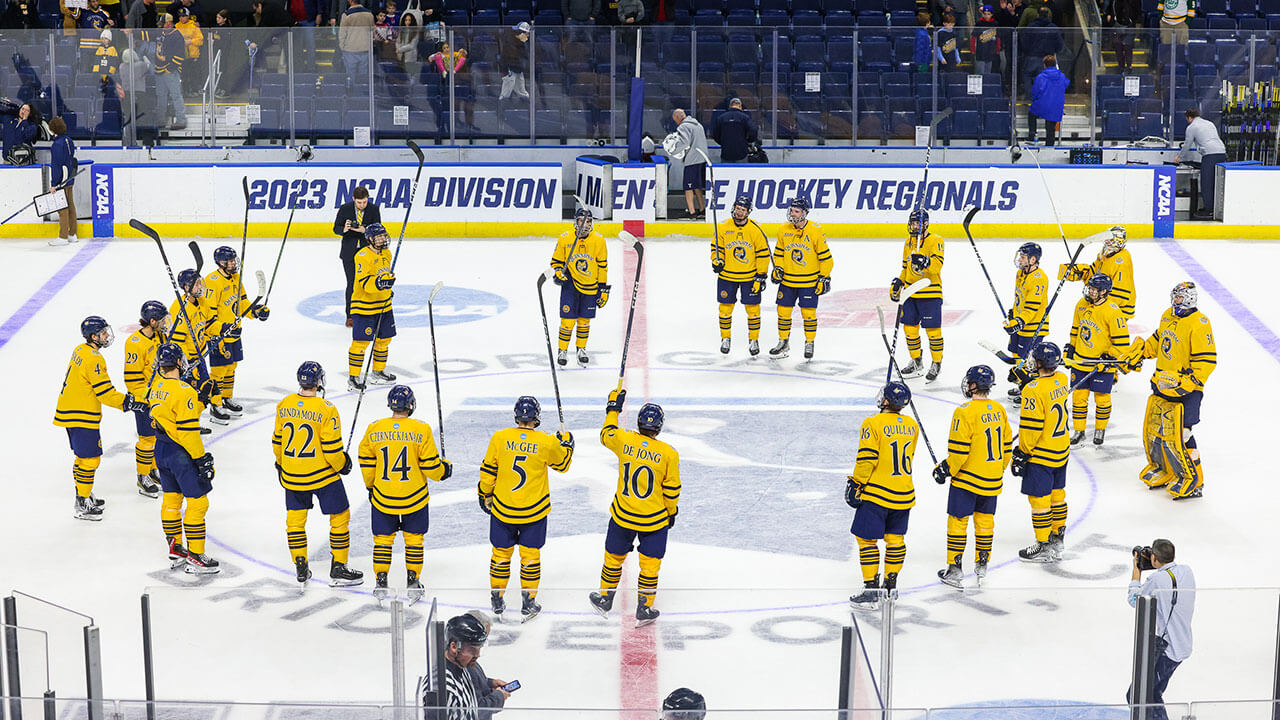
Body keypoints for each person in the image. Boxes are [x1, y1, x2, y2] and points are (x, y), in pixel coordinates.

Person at [478, 396, 575, 622]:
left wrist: (486, 493)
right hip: (534, 512)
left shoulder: (500, 437)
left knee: (501, 554)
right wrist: (567, 444)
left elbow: (488, 470)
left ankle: (497, 597)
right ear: (536, 418)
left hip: (504, 509)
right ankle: (528, 602)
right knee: (530, 556)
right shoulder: (546, 441)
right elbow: (563, 464)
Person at [590, 388, 681, 626]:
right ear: (659, 427)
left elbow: (606, 433)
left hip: (623, 515)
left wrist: (613, 408)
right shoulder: (668, 453)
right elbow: (672, 490)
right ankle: (644, 607)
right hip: (654, 519)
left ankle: (604, 598)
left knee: (613, 558)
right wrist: (670, 513)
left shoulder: (625, 440)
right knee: (650, 565)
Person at [273, 361, 364, 589]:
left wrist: (283, 465)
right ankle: (339, 567)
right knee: (340, 517)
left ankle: (300, 565)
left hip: (292, 475)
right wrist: (343, 464)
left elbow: (277, 443)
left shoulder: (285, 404)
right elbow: (332, 451)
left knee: (295, 521)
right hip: (322, 475)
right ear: (319, 382)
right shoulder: (327, 409)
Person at [359, 385, 452, 603]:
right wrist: (444, 470)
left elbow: (366, 461)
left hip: (383, 497)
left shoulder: (375, 428)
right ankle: (412, 581)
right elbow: (431, 468)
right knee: (414, 540)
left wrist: (371, 486)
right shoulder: (421, 429)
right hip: (414, 497)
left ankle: (381, 582)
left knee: (382, 540)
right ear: (410, 405)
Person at [1124, 282, 1215, 500]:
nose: (1175, 302)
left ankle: (1195, 480)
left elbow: (1207, 360)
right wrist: (1139, 353)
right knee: (1159, 429)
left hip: (1186, 391)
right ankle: (1167, 471)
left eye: (1180, 298)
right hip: (1162, 384)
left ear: (1190, 298)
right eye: (1175, 298)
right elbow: (1158, 341)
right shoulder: (1168, 315)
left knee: (1182, 434)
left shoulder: (1200, 323)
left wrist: (1190, 381)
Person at [53, 316, 146, 520]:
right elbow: (105, 393)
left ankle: (82, 496)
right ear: (93, 336)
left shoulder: (80, 350)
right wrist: (128, 402)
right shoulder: (94, 359)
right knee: (90, 459)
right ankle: (83, 504)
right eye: (103, 333)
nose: (107, 336)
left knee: (82, 457)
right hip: (81, 415)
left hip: (69, 410)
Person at [934, 365, 1010, 589]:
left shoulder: (964, 411)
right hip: (992, 479)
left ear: (974, 385)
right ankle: (982, 564)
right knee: (985, 522)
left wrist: (946, 468)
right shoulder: (999, 409)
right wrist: (997, 470)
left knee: (958, 522)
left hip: (966, 480)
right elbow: (1006, 445)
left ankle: (955, 569)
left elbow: (959, 452)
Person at [148, 342, 218, 573]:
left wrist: (200, 401)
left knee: (171, 499)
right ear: (179, 362)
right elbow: (187, 432)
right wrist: (201, 459)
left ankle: (176, 547)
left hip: (161, 450)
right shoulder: (184, 390)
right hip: (181, 453)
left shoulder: (156, 387)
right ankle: (196, 555)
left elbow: (176, 415)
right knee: (198, 503)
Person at [847, 382, 918, 610]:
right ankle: (890, 587)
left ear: (887, 401)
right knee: (895, 540)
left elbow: (867, 458)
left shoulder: (872, 423)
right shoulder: (911, 425)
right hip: (904, 492)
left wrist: (856, 483)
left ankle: (871, 591)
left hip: (877, 494)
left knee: (866, 540)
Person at [1011, 341, 1070, 563]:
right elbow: (1046, 390)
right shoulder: (1062, 379)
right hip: (1061, 449)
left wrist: (1022, 452)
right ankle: (1058, 537)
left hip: (1041, 453)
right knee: (1057, 496)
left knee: (1039, 501)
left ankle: (1043, 544)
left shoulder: (1032, 391)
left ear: (1038, 362)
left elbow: (1031, 428)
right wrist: (1029, 383)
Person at [1126, 539, 1195, 720]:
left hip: (1168, 649)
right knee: (1152, 694)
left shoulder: (1156, 579)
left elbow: (1135, 600)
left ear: (1154, 558)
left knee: (1139, 695)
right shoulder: (1187, 571)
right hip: (1183, 644)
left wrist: (1137, 570)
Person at [1064, 273, 1131, 447]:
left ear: (1104, 292)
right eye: (1090, 288)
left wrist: (1109, 357)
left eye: (1094, 289)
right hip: (1080, 362)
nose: (1090, 291)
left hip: (1102, 366)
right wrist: (1070, 348)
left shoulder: (1114, 312)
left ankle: (1100, 429)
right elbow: (1075, 329)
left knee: (1102, 400)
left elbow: (1123, 343)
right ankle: (1079, 431)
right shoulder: (1081, 304)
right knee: (1078, 398)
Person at [205, 246, 269, 419]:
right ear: (221, 262)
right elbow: (207, 314)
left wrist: (255, 311)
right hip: (218, 335)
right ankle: (215, 403)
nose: (234, 263)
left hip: (234, 332)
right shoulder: (212, 281)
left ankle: (226, 398)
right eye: (231, 260)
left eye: (234, 260)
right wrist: (222, 329)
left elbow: (241, 303)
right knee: (219, 370)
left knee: (231, 367)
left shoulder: (235, 277)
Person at [770, 197, 832, 360]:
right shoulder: (784, 229)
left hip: (808, 281)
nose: (792, 214)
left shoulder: (815, 230)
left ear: (805, 213)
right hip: (788, 281)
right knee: (783, 312)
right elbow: (779, 254)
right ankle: (783, 342)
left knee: (808, 314)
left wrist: (824, 278)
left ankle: (809, 342)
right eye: (791, 210)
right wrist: (779, 268)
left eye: (796, 211)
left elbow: (826, 259)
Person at [168, 269, 233, 425]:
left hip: (199, 355)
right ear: (186, 287)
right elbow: (177, 342)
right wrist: (184, 363)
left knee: (208, 387)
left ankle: (212, 411)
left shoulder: (203, 301)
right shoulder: (179, 308)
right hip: (187, 360)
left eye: (200, 282)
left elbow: (210, 325)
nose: (201, 286)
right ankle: (188, 424)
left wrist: (224, 328)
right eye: (196, 283)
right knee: (191, 394)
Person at [711, 194, 770, 356]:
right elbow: (717, 248)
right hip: (727, 277)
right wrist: (717, 261)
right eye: (737, 208)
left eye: (742, 210)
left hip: (749, 278)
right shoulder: (723, 227)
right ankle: (725, 338)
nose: (738, 212)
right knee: (725, 308)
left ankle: (753, 340)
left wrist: (761, 275)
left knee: (753, 310)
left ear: (748, 212)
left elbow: (763, 254)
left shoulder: (755, 229)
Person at [550, 209, 609, 368]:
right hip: (571, 285)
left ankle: (581, 349)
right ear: (575, 222)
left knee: (584, 321)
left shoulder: (599, 240)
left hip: (591, 287)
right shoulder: (565, 238)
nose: (585, 224)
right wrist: (558, 273)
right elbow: (556, 262)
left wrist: (603, 289)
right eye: (581, 221)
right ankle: (562, 351)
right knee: (567, 321)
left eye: (588, 221)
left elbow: (603, 266)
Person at [122, 300, 169, 499]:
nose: (166, 323)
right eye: (162, 319)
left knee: (158, 437)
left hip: (159, 396)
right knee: (146, 439)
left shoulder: (160, 336)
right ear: (151, 321)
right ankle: (143, 476)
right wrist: (145, 398)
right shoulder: (134, 343)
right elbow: (131, 379)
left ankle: (153, 470)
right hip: (143, 399)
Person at [425, 614, 510, 720]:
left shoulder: (461, 667)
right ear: (454, 647)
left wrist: (489, 683)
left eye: (479, 649)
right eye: (472, 649)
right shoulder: (445, 689)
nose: (477, 655)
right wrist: (498, 696)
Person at [893, 208, 945, 382]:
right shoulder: (908, 242)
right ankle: (917, 361)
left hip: (930, 292)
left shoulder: (936, 240)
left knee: (933, 331)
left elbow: (936, 267)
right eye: (913, 223)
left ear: (926, 224)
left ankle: (936, 363)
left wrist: (925, 261)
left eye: (918, 223)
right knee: (909, 329)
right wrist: (899, 283)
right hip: (910, 292)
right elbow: (905, 268)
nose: (915, 226)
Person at [347, 223, 398, 389]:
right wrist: (381, 283)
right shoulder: (362, 256)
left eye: (384, 235)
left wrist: (387, 286)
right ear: (370, 239)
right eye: (379, 236)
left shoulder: (387, 253)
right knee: (361, 343)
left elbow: (385, 276)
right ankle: (353, 378)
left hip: (384, 304)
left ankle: (377, 372)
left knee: (384, 340)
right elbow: (365, 284)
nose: (383, 239)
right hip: (364, 306)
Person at [1060, 225, 1136, 318]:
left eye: (1109, 239)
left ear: (1117, 241)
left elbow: (1121, 293)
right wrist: (1078, 272)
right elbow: (1094, 273)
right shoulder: (1104, 256)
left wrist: (1100, 303)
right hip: (1102, 300)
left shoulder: (1122, 261)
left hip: (1120, 309)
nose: (1106, 241)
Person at [1004, 242, 1049, 399]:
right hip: (1021, 322)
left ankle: (1031, 392)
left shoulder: (1039, 278)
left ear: (1033, 260)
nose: (1020, 259)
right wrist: (1014, 314)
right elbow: (1020, 299)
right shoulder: (1021, 274)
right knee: (1016, 353)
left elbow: (1032, 307)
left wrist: (1019, 322)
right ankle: (1022, 384)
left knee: (1030, 360)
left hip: (1033, 325)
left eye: (1023, 257)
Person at [333, 185, 381, 325]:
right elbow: (336, 228)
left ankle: (371, 313)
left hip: (368, 253)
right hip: (349, 252)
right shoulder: (345, 208)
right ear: (354, 199)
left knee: (369, 282)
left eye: (364, 202)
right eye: (359, 202)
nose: (362, 205)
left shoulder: (373, 209)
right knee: (352, 283)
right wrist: (345, 229)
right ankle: (350, 315)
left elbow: (378, 229)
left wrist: (365, 230)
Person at [1180, 108, 1227, 220]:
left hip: (1210, 155)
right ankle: (1215, 208)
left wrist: (1179, 157)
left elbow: (1187, 144)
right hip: (1221, 152)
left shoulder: (1192, 127)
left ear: (1189, 117)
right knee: (1216, 182)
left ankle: (1208, 209)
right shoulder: (1209, 123)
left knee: (1206, 182)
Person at [668, 108, 710, 218]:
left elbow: (684, 142)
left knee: (688, 187)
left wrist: (673, 150)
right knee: (697, 186)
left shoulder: (683, 126)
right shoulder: (698, 125)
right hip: (702, 159)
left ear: (678, 117)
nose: (676, 122)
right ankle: (702, 208)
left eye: (675, 120)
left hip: (692, 160)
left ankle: (691, 212)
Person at [47, 117, 79, 247]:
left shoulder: (57, 144)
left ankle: (63, 236)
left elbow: (56, 165)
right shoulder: (68, 140)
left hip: (62, 179)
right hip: (70, 177)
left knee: (62, 208)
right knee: (70, 205)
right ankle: (72, 234)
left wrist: (54, 184)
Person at [153, 13, 188, 131]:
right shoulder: (161, 33)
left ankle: (181, 120)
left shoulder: (177, 36)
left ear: (169, 23)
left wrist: (170, 68)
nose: (161, 26)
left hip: (170, 71)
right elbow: (147, 34)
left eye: (163, 24)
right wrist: (132, 32)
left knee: (176, 95)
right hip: (159, 70)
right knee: (160, 96)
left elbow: (180, 56)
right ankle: (160, 120)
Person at [1022, 9, 1062, 101]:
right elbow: (1059, 44)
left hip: (1032, 56)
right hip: (1047, 59)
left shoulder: (1031, 27)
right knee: (1045, 79)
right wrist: (1053, 51)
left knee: (1028, 75)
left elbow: (1024, 42)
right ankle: (1042, 99)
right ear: (1048, 15)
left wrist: (1027, 52)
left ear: (1037, 15)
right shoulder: (1053, 28)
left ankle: (1029, 97)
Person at [1028, 54, 1069, 146]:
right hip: (1056, 106)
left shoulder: (1041, 77)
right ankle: (1050, 144)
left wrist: (1034, 100)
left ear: (1045, 65)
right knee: (1051, 127)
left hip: (1042, 105)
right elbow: (1067, 84)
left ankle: (1032, 135)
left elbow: (1035, 91)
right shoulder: (1061, 76)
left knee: (1031, 113)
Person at [709, 98, 758, 164]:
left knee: (726, 173)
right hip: (741, 153)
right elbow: (753, 130)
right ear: (740, 106)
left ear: (730, 106)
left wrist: (723, 143)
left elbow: (715, 134)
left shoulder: (721, 118)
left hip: (726, 153)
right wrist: (748, 141)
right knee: (742, 173)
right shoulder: (745, 117)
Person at [339, 0, 374, 82]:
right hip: (365, 48)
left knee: (351, 76)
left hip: (350, 49)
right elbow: (372, 31)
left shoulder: (346, 15)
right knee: (363, 76)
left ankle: (352, 92)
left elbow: (342, 34)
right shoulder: (369, 14)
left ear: (350, 1)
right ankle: (362, 92)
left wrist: (342, 47)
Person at [499, 22, 531, 101]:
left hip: (518, 69)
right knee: (506, 90)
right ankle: (503, 105)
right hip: (510, 68)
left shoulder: (525, 43)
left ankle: (526, 103)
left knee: (521, 90)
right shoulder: (510, 42)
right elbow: (506, 58)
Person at [972, 5, 1001, 76]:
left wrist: (998, 49)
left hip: (991, 51)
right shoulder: (979, 23)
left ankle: (986, 86)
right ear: (982, 14)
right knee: (980, 72)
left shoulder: (995, 23)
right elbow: (973, 37)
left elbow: (998, 38)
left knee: (988, 73)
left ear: (992, 14)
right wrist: (972, 49)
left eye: (988, 14)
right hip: (981, 51)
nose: (986, 16)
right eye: (985, 14)